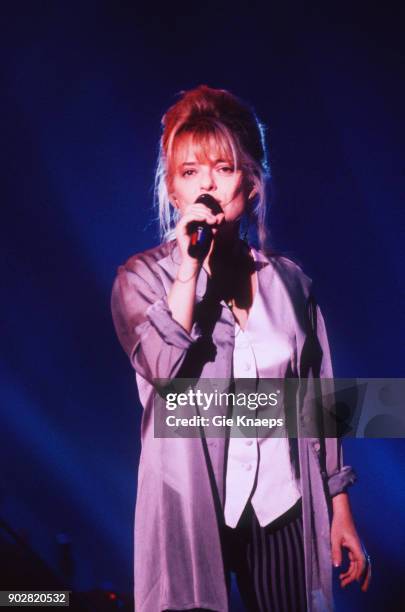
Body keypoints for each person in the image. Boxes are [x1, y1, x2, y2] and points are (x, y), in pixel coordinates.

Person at [111, 85, 371, 612]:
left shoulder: (291, 284)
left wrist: (339, 505)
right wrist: (189, 267)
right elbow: (167, 374)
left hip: (283, 503)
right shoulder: (140, 280)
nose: (207, 182)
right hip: (191, 503)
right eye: (190, 172)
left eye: (223, 167)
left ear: (250, 184)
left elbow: (320, 401)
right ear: (173, 190)